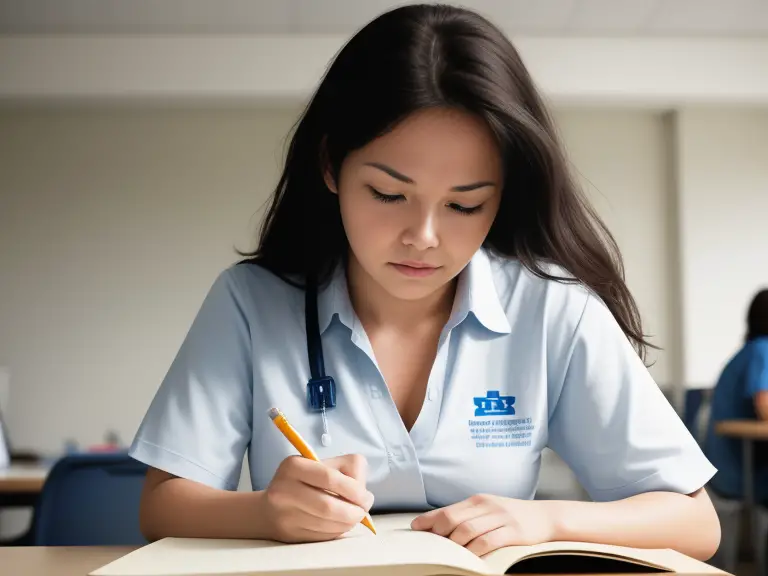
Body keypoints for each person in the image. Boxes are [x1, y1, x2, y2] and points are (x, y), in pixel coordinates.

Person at [130, 3, 720, 560]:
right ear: (331, 165)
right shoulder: (249, 303)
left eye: (465, 205)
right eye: (389, 194)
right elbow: (162, 504)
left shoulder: (555, 309)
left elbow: (695, 523)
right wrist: (265, 513)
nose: (424, 236)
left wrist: (545, 520)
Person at [705, 289, 768, 502]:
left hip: (725, 468)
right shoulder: (762, 350)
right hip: (741, 473)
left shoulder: (750, 351)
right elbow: (765, 407)